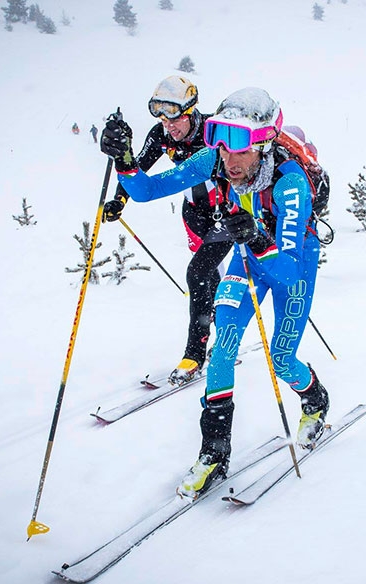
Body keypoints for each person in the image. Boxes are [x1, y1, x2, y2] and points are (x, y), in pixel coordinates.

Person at [100, 87, 329, 497]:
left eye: (240, 147)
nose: (229, 158)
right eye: (220, 144)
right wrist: (124, 159)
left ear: (264, 143)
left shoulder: (290, 184)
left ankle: (314, 400)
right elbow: (147, 191)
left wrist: (258, 238)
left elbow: (290, 273)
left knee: (281, 357)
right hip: (250, 253)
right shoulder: (217, 159)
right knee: (223, 347)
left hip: (291, 261)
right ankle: (214, 452)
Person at [101, 75, 233, 385]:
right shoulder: (160, 135)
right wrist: (119, 199)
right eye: (162, 119)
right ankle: (217, 325)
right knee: (207, 275)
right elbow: (139, 168)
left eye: (174, 119)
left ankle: (194, 353)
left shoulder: (215, 131)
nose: (168, 127)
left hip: (224, 214)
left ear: (191, 112)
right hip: (194, 215)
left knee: (198, 273)